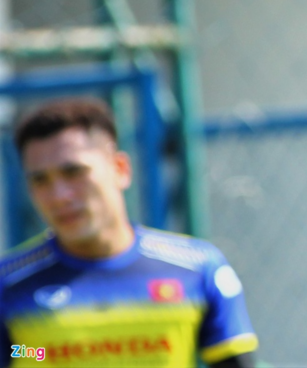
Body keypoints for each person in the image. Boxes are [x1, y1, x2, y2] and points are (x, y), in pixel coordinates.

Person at [0, 97, 257, 367]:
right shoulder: (9, 282)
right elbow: (16, 353)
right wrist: (42, 352)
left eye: (74, 172)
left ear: (120, 169)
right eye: (40, 180)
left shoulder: (196, 267)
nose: (59, 195)